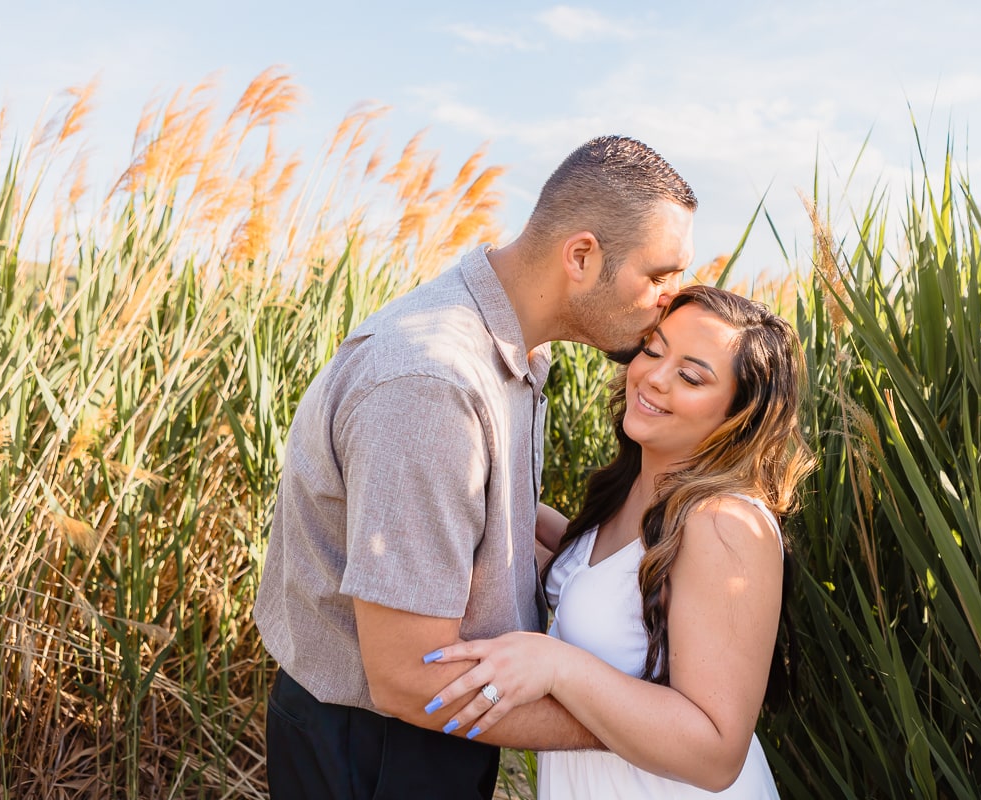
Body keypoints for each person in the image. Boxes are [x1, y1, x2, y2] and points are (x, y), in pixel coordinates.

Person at [252, 135, 698, 799]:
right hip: (377, 748)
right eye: (659, 275)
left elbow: (476, 520)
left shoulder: (513, 348)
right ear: (581, 256)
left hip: (428, 728)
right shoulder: (431, 385)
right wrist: (642, 725)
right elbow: (409, 677)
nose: (672, 298)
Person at [423, 285, 816, 798]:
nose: (652, 377)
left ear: (739, 416)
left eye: (691, 376)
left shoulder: (724, 523)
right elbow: (608, 581)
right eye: (653, 349)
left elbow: (717, 754)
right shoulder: (637, 491)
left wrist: (558, 667)